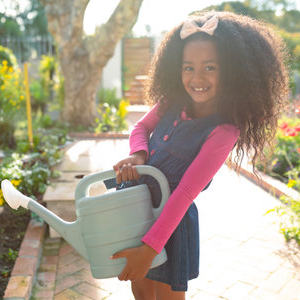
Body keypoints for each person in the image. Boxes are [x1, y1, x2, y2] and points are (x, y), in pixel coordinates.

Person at [110, 11, 289, 300]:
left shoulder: (223, 131)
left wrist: (150, 248)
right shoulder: (171, 101)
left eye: (210, 67)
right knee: (140, 288)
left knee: (167, 293)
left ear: (231, 71)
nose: (197, 78)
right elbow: (141, 127)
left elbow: (184, 193)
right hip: (138, 207)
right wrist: (138, 155)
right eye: (188, 68)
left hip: (169, 225)